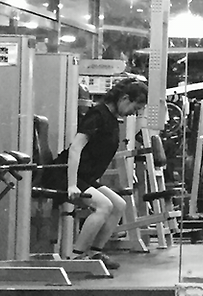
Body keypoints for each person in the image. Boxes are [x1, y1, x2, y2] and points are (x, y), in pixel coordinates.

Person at [43, 77, 148, 272]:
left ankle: (94, 253)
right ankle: (75, 258)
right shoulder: (97, 115)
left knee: (119, 205)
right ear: (125, 98)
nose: (134, 113)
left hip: (84, 177)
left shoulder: (112, 119)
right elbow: (75, 148)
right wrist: (72, 184)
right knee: (103, 206)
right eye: (135, 107)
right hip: (63, 174)